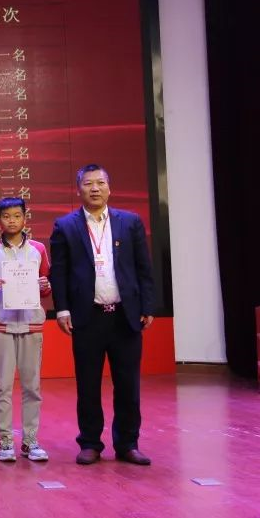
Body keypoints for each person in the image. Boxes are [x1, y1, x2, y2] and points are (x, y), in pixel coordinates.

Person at [49, 164, 156, 466]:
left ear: (109, 188)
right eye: (88, 183)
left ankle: (128, 444)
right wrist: (62, 308)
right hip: (88, 317)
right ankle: (90, 443)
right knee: (88, 384)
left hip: (125, 316)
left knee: (128, 384)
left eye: (100, 183)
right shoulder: (65, 226)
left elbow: (144, 268)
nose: (94, 188)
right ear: (78, 190)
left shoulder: (130, 222)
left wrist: (147, 306)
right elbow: (59, 272)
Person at [0, 197, 52, 462]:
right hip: (3, 324)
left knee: (32, 386)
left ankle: (30, 441)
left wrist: (45, 286)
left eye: (17, 215)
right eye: (6, 216)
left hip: (31, 323)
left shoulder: (38, 250)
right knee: (3, 387)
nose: (12, 221)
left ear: (25, 218)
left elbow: (46, 283)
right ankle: (5, 439)